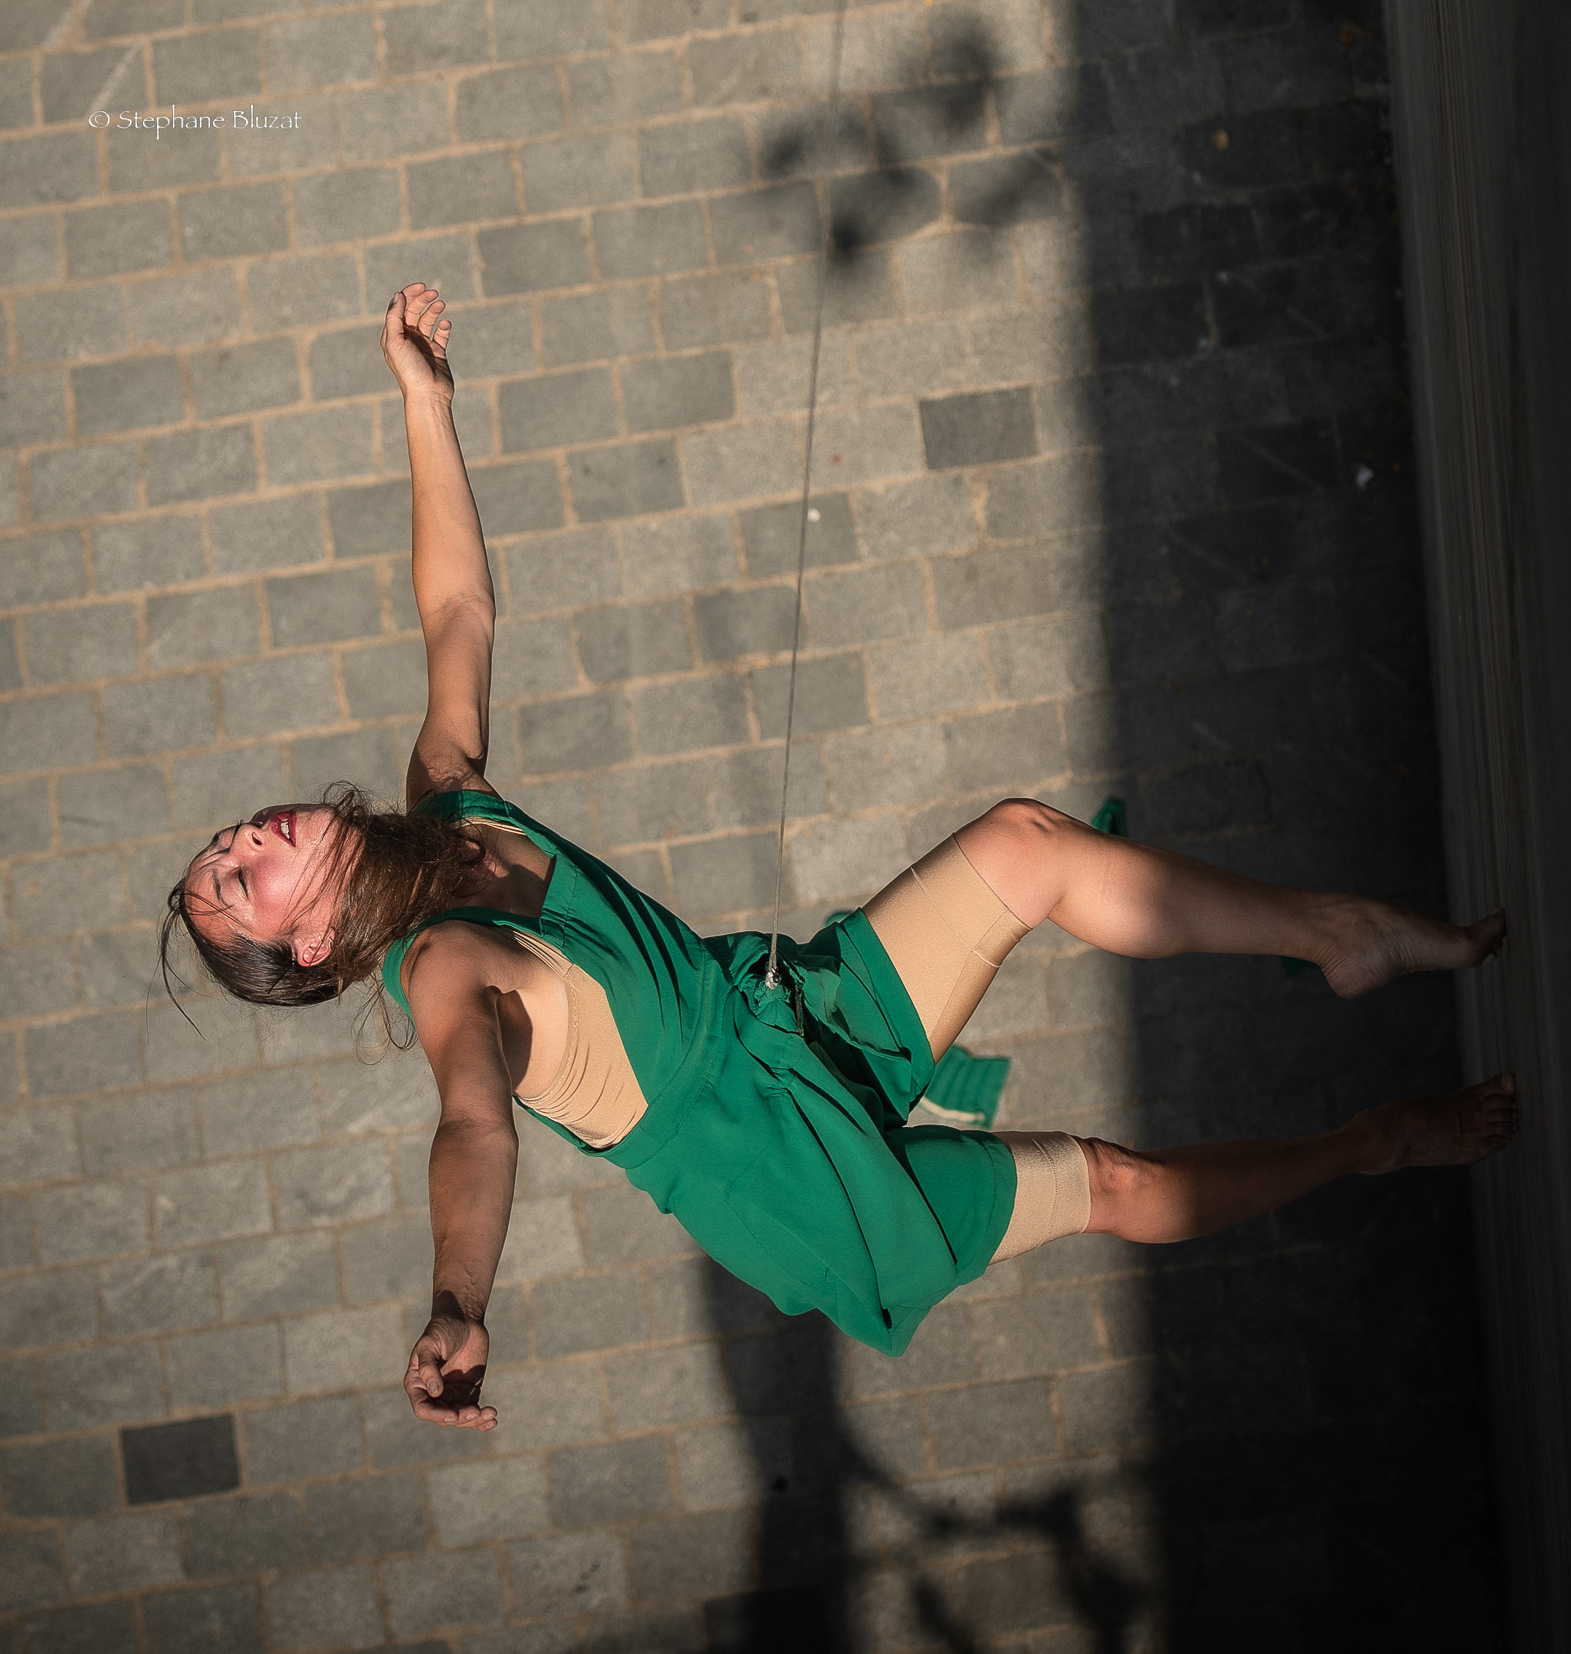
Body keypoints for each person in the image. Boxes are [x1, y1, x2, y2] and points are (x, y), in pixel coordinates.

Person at [161, 283, 1515, 1429]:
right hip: (778, 1173)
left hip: (787, 1010)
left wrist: (423, 400)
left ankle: (1339, 937)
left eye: (224, 843)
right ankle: (1373, 1143)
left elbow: (456, 605)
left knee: (1026, 847)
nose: (241, 841)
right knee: (1111, 1181)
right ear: (314, 947)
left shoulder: (444, 806)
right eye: (236, 884)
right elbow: (473, 1124)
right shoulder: (441, 968)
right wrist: (459, 1302)